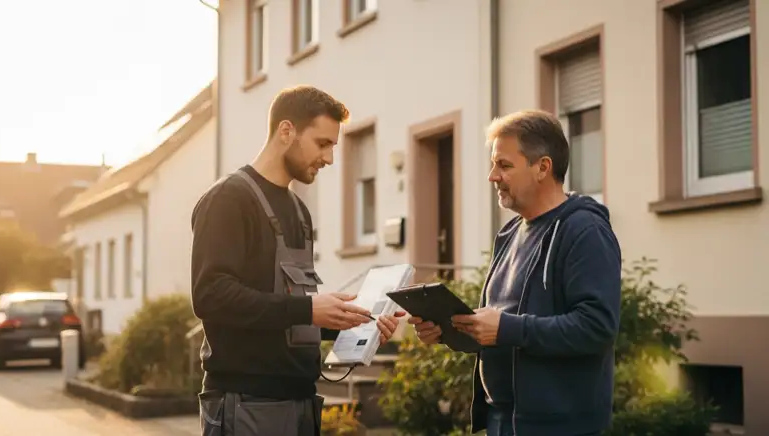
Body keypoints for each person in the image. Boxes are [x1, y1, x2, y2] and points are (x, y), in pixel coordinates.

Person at [190, 85, 405, 436]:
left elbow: (291, 315)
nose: (330, 158)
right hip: (247, 404)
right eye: (322, 144)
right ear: (286, 131)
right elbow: (211, 296)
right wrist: (308, 309)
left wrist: (352, 322)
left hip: (302, 403)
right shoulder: (228, 200)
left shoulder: (299, 211)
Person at [409, 110, 621, 436]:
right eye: (493, 164)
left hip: (559, 428)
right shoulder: (509, 235)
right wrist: (451, 330)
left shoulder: (584, 230)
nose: (492, 176)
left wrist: (507, 329)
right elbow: (501, 331)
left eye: (504, 165)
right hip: (502, 422)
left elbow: (597, 327)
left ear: (543, 168)